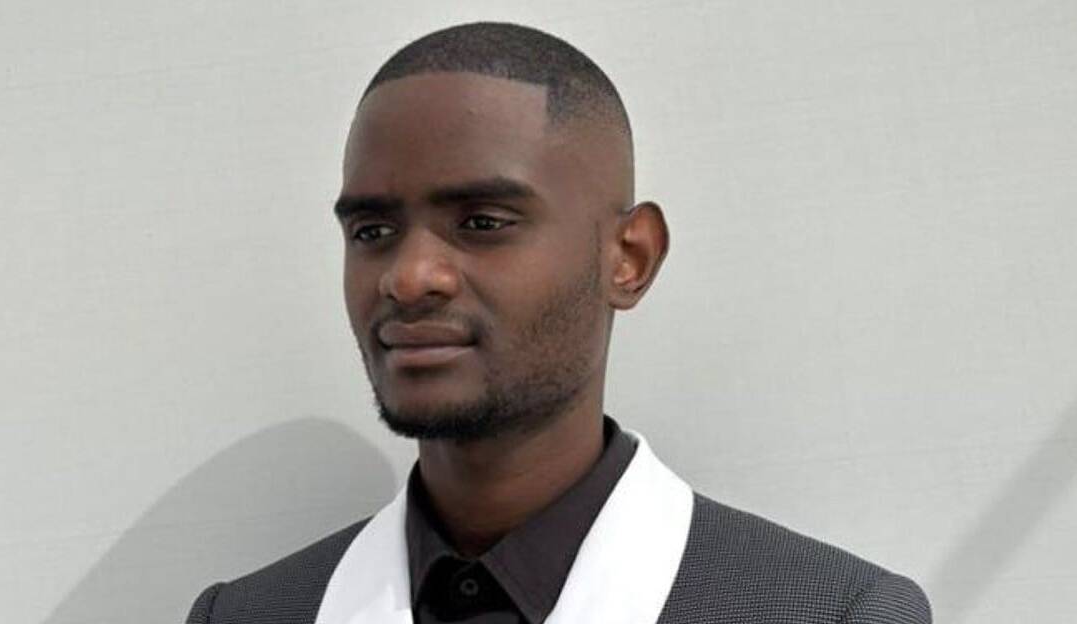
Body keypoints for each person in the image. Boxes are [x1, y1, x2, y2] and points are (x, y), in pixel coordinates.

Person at [186, 21, 931, 624]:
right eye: (372, 232)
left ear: (628, 258)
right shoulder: (250, 615)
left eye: (482, 222)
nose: (409, 277)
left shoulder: (828, 612)